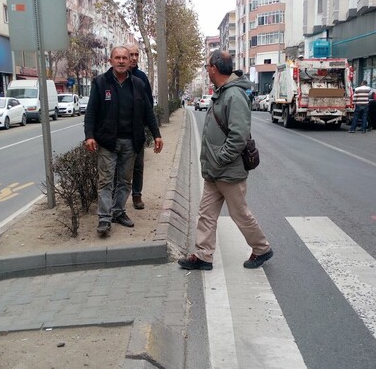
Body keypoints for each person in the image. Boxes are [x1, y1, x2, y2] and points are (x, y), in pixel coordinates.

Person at [177, 50, 274, 271]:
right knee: (206, 214)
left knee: (240, 214)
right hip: (215, 171)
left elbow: (238, 136)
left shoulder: (234, 95)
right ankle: (203, 256)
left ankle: (262, 248)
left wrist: (220, 159)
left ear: (213, 69)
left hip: (228, 171)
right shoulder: (223, 92)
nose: (206, 70)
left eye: (207, 66)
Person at [84, 46, 163, 237]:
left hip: (131, 142)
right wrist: (89, 136)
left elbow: (148, 112)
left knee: (125, 182)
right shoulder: (100, 83)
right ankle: (104, 218)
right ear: (110, 60)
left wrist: (157, 134)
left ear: (129, 62)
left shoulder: (138, 84)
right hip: (107, 142)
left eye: (124, 58)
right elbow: (91, 112)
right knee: (105, 181)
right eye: (117, 58)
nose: (121, 61)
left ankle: (118, 212)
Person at [125, 44, 154, 210]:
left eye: (136, 55)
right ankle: (117, 199)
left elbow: (148, 104)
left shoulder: (142, 77)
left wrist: (149, 128)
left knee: (138, 165)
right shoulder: (112, 77)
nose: (134, 58)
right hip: (117, 131)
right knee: (118, 167)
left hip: (137, 131)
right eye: (131, 54)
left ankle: (137, 195)